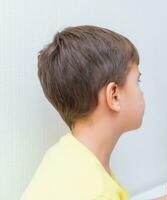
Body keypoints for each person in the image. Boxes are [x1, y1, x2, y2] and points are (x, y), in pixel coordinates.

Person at [21, 25, 145, 200]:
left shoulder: (65, 156)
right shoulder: (97, 192)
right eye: (137, 81)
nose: (142, 93)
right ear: (114, 96)